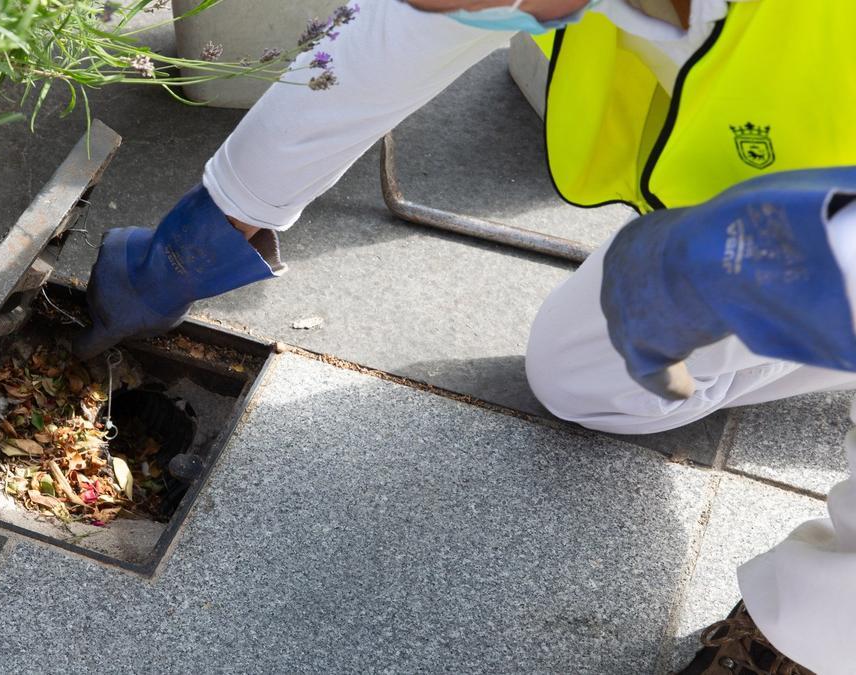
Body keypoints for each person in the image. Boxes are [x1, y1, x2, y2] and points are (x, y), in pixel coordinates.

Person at [75, 1, 856, 671]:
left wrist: (801, 257)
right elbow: (395, 35)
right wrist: (219, 218)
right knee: (581, 374)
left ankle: (812, 637)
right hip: (752, 198)